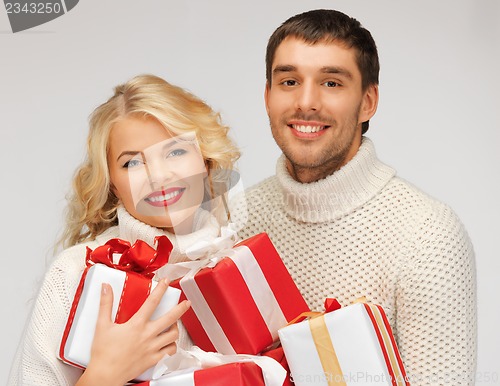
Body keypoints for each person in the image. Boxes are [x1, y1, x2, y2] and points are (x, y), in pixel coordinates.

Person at [232, 9, 477, 385]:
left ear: (368, 102)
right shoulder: (234, 220)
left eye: (331, 83)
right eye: (289, 81)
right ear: (267, 96)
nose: (306, 102)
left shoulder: (428, 236)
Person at [8, 74, 240, 386]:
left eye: (175, 151)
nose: (159, 176)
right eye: (132, 163)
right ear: (113, 184)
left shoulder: (238, 263)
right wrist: (105, 374)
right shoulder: (76, 271)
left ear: (206, 161)